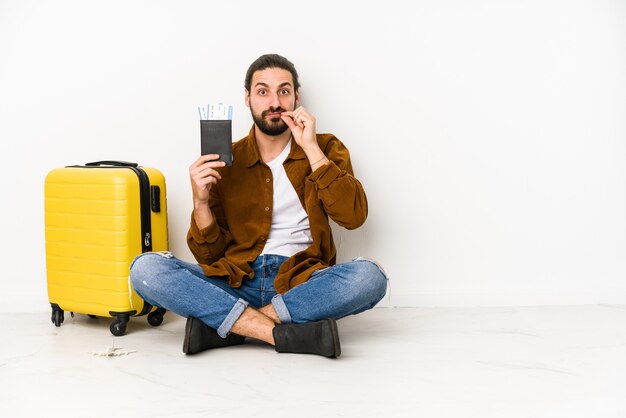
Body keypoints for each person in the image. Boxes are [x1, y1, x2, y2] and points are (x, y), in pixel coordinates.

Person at [130, 54, 387, 358]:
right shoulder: (226, 159)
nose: (274, 101)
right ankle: (278, 333)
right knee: (145, 269)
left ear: (296, 98)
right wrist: (200, 202)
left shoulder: (326, 147)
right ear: (248, 99)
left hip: (300, 281)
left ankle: (228, 327)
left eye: (284, 91)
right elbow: (209, 255)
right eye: (263, 92)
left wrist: (311, 149)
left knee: (371, 277)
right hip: (237, 280)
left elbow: (354, 216)